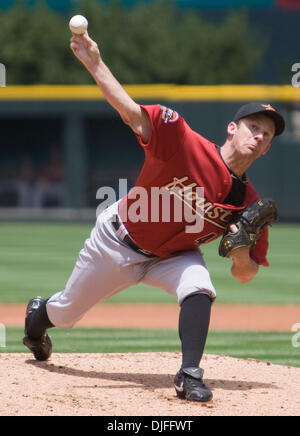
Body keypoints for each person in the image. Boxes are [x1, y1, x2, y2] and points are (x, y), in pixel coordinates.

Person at [23, 32, 285, 403]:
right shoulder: (181, 140)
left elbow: (245, 275)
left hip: (174, 256)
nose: (258, 137)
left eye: (266, 134)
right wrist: (94, 63)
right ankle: (37, 318)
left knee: (199, 285)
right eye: (253, 127)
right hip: (117, 242)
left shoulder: (250, 204)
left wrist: (241, 249)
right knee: (65, 314)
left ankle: (189, 374)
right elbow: (130, 112)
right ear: (232, 128)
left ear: (269, 147)